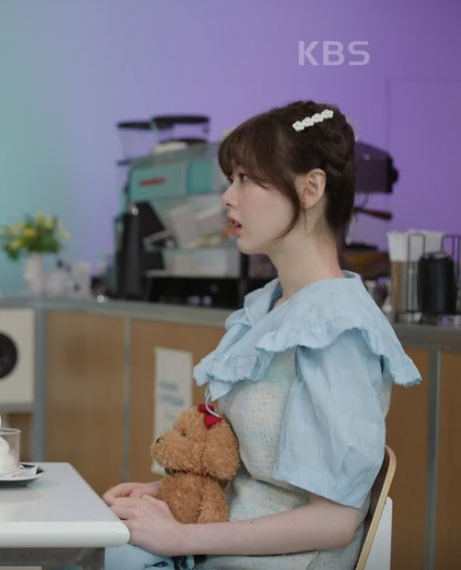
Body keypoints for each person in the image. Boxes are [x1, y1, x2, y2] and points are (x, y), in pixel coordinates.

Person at [101, 101, 420, 569]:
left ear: (311, 188)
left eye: (246, 179)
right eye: (231, 179)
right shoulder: (273, 307)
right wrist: (166, 494)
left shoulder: (337, 328)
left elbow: (334, 521)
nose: (228, 197)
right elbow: (251, 471)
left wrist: (179, 537)